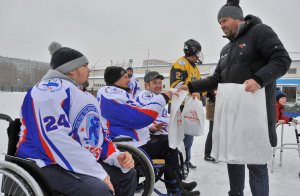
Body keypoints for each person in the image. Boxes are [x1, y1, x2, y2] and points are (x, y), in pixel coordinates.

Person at [179, 0, 291, 195]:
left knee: (256, 164)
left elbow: (282, 60)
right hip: (233, 115)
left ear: (238, 18)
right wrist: (189, 86)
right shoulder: (226, 50)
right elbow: (217, 79)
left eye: (224, 20)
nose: (221, 25)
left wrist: (258, 79)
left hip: (257, 115)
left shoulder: (259, 32)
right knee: (234, 159)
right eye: (219, 23)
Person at [16, 42, 136, 196]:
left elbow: (97, 135)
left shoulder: (83, 95)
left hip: (77, 160)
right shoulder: (47, 90)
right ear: (72, 70)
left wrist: (115, 156)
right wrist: (98, 172)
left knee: (126, 175)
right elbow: (54, 138)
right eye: (85, 65)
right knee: (97, 190)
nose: (89, 69)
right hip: (44, 161)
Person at [97, 66, 200, 196]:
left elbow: (126, 119)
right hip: (127, 145)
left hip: (133, 140)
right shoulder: (110, 95)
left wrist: (149, 128)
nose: (129, 79)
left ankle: (177, 187)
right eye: (125, 77)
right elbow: (139, 117)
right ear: (115, 79)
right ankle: (177, 190)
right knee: (169, 146)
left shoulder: (116, 93)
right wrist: (164, 96)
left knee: (169, 145)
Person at [170, 38, 204, 169]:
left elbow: (199, 85)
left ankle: (186, 159)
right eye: (198, 52)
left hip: (190, 106)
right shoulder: (181, 64)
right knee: (181, 136)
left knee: (189, 135)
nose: (199, 55)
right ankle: (180, 162)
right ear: (193, 51)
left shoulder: (194, 67)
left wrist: (200, 93)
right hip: (181, 106)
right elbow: (176, 85)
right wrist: (192, 91)